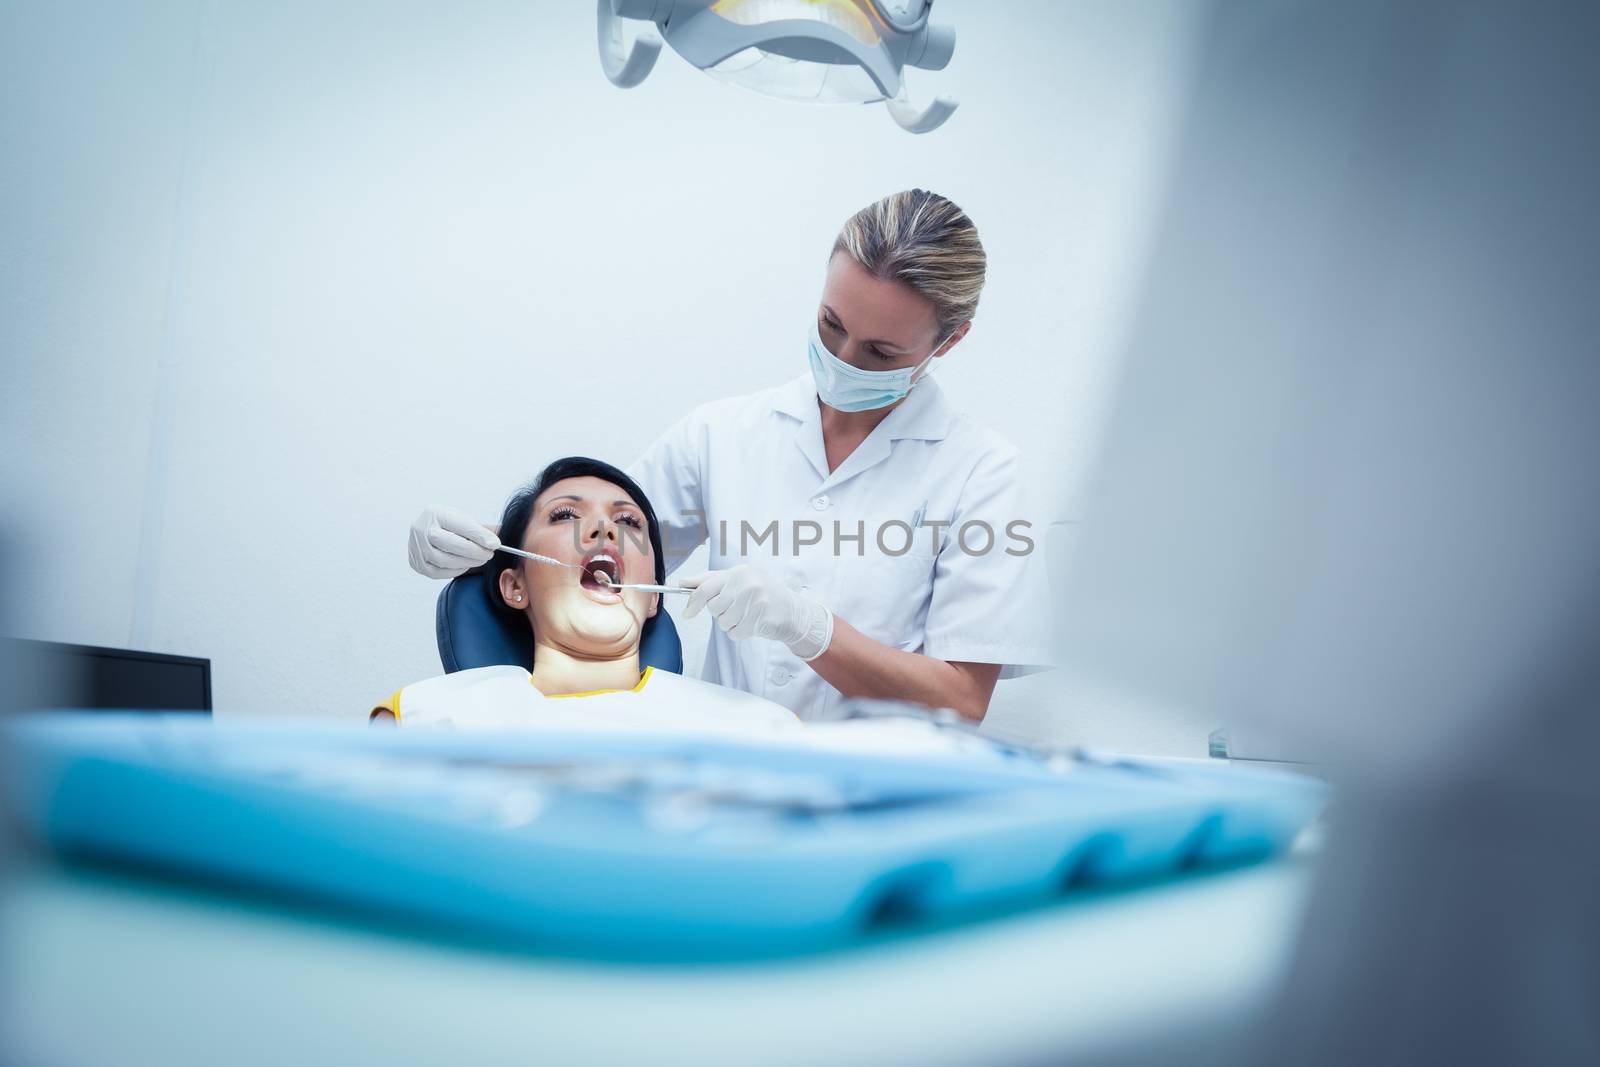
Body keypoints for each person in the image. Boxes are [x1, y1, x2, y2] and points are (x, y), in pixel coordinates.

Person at [409, 190, 1048, 723]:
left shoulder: (982, 474)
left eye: (881, 352)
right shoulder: (723, 433)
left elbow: (963, 700)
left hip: (884, 802)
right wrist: (489, 543)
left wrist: (809, 627)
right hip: (725, 784)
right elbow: (606, 552)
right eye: (830, 324)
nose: (844, 359)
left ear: (951, 339)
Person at [375, 457, 800, 738]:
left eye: (628, 521)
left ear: (654, 600)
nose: (603, 530)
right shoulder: (421, 719)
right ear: (514, 585)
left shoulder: (760, 731)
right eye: (564, 516)